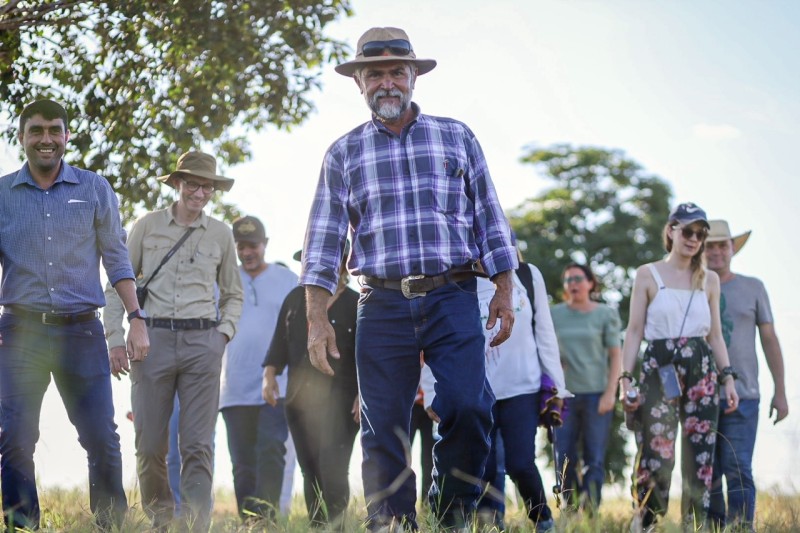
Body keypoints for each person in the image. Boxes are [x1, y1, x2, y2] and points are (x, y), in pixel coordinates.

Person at [300, 26, 518, 530]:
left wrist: (504, 290)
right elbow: (323, 243)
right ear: (359, 83)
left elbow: (490, 217)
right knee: (383, 427)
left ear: (414, 76)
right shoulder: (342, 153)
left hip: (453, 293)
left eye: (397, 71)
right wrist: (317, 318)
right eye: (374, 74)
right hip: (380, 303)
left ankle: (451, 511)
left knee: (469, 406)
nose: (387, 83)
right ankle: (393, 522)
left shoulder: (456, 136)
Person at [0, 99, 149, 530]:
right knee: (14, 439)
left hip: (81, 332)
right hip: (20, 332)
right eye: (36, 130)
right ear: (22, 137)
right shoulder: (3, 195)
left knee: (102, 438)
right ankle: (22, 526)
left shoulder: (95, 189)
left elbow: (117, 259)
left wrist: (136, 318)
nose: (45, 138)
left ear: (66, 136)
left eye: (54, 130)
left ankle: (110, 525)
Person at [104, 150, 243, 531]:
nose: (200, 193)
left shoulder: (221, 234)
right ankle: (163, 522)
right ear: (178, 183)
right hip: (152, 341)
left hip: (203, 344)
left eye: (208, 187)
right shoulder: (146, 226)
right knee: (149, 445)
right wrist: (116, 338)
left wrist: (222, 336)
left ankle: (197, 526)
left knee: (198, 445)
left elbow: (233, 294)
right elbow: (118, 286)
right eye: (193, 184)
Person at [421, 262, 569, 532]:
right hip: (475, 390)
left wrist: (557, 384)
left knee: (521, 463)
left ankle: (543, 521)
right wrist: (432, 391)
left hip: (523, 386)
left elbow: (544, 331)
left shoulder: (526, 274)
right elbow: (434, 340)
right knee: (484, 468)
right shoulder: (451, 278)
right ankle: (491, 526)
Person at [619, 202, 739, 529]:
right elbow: (633, 331)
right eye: (688, 231)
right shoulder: (647, 274)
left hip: (702, 369)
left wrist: (727, 378)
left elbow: (715, 335)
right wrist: (625, 380)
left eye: (700, 234)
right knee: (656, 453)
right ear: (671, 230)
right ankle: (647, 522)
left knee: (700, 455)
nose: (694, 239)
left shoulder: (709, 280)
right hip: (659, 367)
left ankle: (694, 525)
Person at [263, 250, 359, 528]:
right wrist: (269, 376)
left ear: (342, 263)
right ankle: (317, 526)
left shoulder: (357, 303)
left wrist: (362, 394)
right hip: (299, 400)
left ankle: (338, 527)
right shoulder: (295, 299)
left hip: (342, 402)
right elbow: (279, 344)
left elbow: (367, 355)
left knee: (334, 469)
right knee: (311, 470)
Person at [703, 220, 788, 529]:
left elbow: (770, 339)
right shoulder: (691, 287)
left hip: (746, 393)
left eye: (721, 245)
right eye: (709, 245)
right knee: (706, 471)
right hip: (701, 394)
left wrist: (781, 391)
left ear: (732, 249)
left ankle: (740, 527)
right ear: (700, 250)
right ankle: (712, 527)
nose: (715, 251)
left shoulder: (753, 287)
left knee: (738, 468)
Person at [218, 215, 298, 521]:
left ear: (265, 245)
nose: (247, 252)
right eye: (241, 246)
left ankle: (268, 521)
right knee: (242, 463)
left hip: (277, 385)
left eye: (253, 245)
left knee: (270, 452)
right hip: (233, 388)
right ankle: (249, 522)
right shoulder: (223, 280)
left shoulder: (287, 280)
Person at [551, 263, 622, 511]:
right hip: (563, 397)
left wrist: (611, 393)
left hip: (597, 395)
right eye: (569, 279)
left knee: (594, 459)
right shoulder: (554, 314)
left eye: (579, 278)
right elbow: (547, 353)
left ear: (591, 283)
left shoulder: (605, 314)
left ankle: (591, 513)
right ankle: (569, 512)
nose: (574, 283)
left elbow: (616, 355)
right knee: (565, 458)